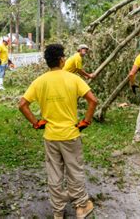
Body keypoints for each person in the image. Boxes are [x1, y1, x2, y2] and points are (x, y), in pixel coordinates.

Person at [18, 44, 97, 219]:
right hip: (70, 135)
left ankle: (58, 211)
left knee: (54, 174)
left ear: (47, 62)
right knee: (74, 171)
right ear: (62, 60)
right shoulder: (73, 79)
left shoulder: (39, 81)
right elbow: (93, 100)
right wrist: (86, 121)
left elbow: (22, 105)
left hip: (51, 137)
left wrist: (36, 123)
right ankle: (81, 206)